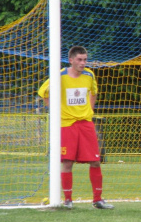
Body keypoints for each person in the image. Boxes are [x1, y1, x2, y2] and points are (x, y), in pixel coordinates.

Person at [38, 46, 114, 209]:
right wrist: (54, 111)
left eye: (85, 59)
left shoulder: (89, 75)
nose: (83, 63)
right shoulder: (60, 76)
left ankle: (98, 200)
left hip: (85, 123)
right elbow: (43, 92)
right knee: (67, 162)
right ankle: (68, 200)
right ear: (71, 60)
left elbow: (94, 92)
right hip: (66, 124)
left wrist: (90, 109)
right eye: (79, 59)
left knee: (95, 161)